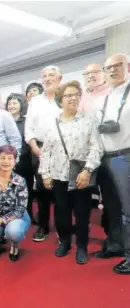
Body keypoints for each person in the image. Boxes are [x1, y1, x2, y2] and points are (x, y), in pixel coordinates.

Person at [39, 81, 103, 264]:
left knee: (82, 213)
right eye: (68, 95)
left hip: (81, 176)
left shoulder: (88, 121)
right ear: (60, 100)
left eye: (76, 94)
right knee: (61, 212)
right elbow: (46, 152)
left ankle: (82, 246)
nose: (73, 98)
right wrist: (45, 174)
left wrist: (87, 170)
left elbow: (96, 148)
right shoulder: (52, 124)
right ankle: (65, 241)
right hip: (58, 176)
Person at [92, 53, 130, 274]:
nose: (113, 70)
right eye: (109, 68)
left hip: (125, 156)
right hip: (105, 158)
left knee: (128, 210)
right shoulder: (103, 99)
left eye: (118, 66)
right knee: (112, 209)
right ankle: (115, 245)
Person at [25, 65, 63, 242]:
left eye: (51, 75)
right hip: (39, 149)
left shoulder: (64, 98)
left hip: (62, 149)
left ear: (59, 78)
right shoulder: (35, 101)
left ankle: (64, 228)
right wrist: (34, 147)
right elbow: (29, 128)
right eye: (44, 76)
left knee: (62, 189)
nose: (47, 79)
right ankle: (43, 226)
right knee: (42, 190)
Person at [6, 93, 36, 224]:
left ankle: (27, 214)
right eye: (10, 103)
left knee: (26, 189)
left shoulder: (26, 121)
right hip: (7, 161)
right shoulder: (4, 120)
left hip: (24, 160)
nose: (11, 106)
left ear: (21, 105)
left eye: (15, 103)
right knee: (10, 190)